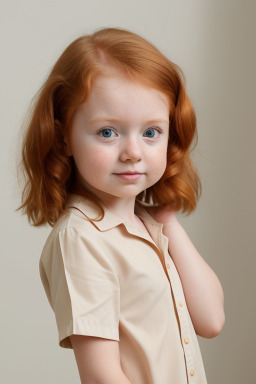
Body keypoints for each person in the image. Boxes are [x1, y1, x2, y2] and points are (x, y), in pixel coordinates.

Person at [16, 27, 225, 384]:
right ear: (63, 135)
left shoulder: (149, 224)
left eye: (151, 132)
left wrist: (168, 222)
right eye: (108, 132)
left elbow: (211, 320)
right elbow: (101, 375)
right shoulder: (81, 239)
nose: (133, 152)